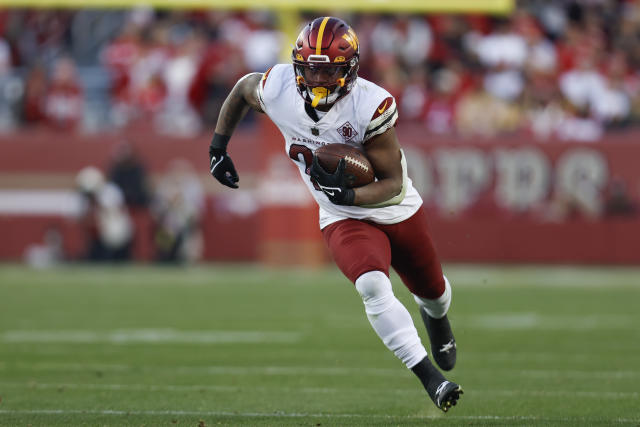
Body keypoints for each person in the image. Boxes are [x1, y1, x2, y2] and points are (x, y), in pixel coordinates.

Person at [207, 17, 463, 412]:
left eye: (328, 69)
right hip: (341, 215)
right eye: (311, 68)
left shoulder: (369, 104)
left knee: (432, 290)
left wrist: (349, 191)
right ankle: (432, 380)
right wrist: (218, 147)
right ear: (297, 65)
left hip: (394, 209)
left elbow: (392, 182)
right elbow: (243, 89)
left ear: (350, 68)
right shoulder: (278, 88)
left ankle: (436, 317)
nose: (318, 78)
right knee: (373, 288)